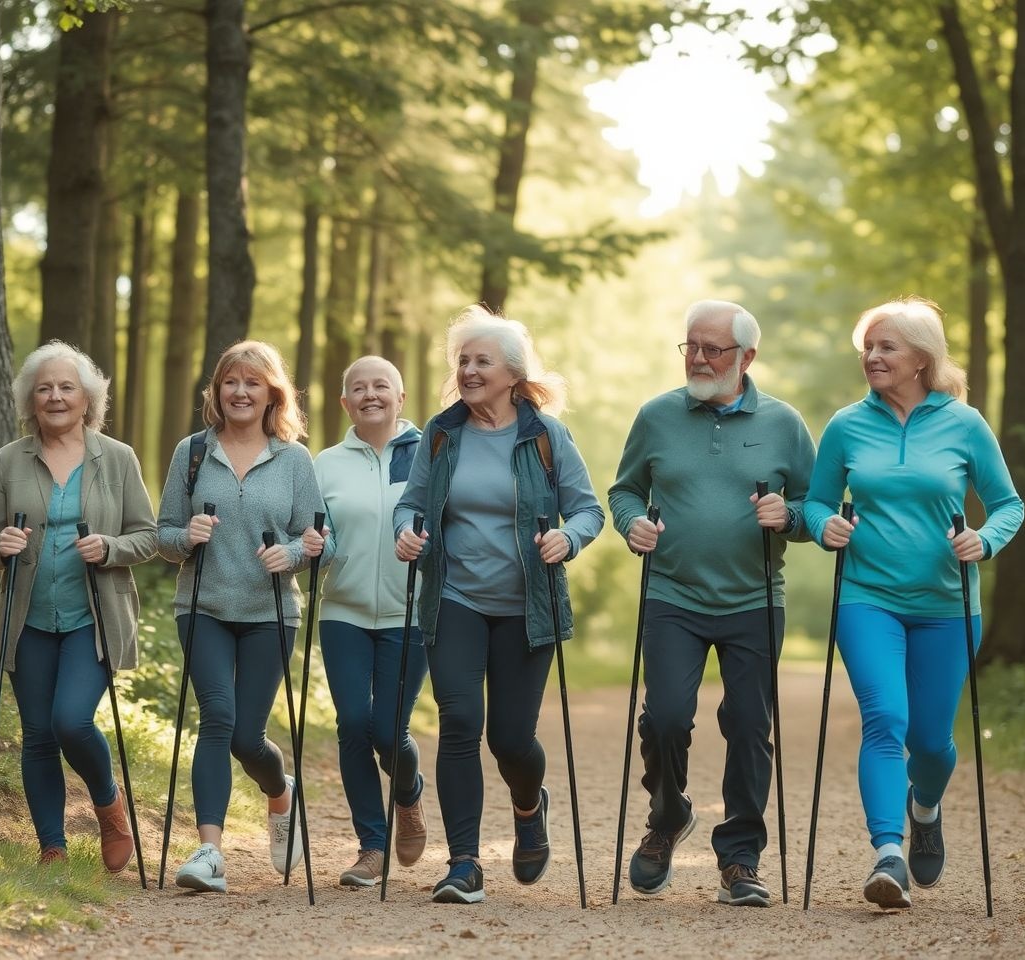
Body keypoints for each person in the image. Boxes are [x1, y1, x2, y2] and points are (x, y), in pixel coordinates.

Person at [803, 297, 1023, 910]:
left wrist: (986, 539)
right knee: (885, 721)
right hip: (867, 599)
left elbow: (1009, 504)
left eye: (886, 347)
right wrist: (825, 527)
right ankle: (888, 853)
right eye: (867, 348)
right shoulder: (847, 425)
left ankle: (924, 807)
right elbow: (816, 502)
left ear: (922, 359)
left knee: (930, 739)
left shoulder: (964, 423)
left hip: (948, 605)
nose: (872, 357)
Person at [608, 299, 816, 908]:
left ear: (747, 357)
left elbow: (814, 505)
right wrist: (631, 525)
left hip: (755, 598)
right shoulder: (656, 416)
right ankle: (668, 815)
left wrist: (791, 516)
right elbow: (624, 489)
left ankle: (741, 857)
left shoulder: (784, 423)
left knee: (750, 725)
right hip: (672, 593)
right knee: (667, 717)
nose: (697, 358)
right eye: (690, 346)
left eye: (712, 349)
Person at [394, 305, 605, 904]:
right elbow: (409, 504)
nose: (468, 369)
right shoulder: (440, 433)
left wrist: (569, 537)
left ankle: (528, 803)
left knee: (511, 738)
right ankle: (463, 864)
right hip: (454, 597)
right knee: (460, 723)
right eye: (462, 360)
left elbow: (589, 509)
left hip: (526, 607)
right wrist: (406, 531)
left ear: (513, 373)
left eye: (482, 360)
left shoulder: (544, 436)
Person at [0, 341, 158, 869]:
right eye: (44, 388)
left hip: (93, 617)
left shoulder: (116, 458)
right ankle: (52, 845)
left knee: (71, 721)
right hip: (27, 617)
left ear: (87, 398)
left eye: (66, 387)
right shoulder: (10, 460)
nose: (55, 396)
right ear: (31, 401)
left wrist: (110, 547)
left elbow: (147, 535)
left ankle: (109, 806)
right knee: (36, 735)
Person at [157, 340, 325, 894]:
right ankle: (210, 851)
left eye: (253, 382)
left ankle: (282, 794)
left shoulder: (294, 459)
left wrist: (295, 554)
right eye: (231, 381)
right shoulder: (194, 452)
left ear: (271, 393)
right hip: (202, 605)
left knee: (247, 738)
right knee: (218, 720)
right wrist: (187, 537)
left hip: (270, 612)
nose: (241, 392)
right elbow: (163, 534)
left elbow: (320, 535)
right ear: (217, 390)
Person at [312, 356, 428, 888]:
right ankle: (372, 846)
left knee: (389, 728)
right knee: (354, 725)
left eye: (382, 385)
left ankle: (408, 794)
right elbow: (318, 534)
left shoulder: (433, 452)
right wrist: (316, 548)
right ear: (345, 403)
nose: (370, 394)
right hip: (344, 612)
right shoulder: (325, 464)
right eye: (358, 387)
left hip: (413, 612)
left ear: (400, 398)